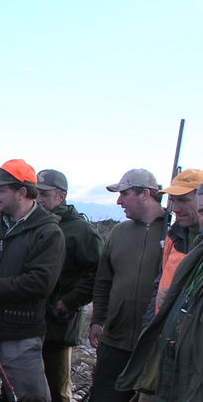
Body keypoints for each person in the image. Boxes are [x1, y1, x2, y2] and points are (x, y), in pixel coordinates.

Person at [0, 159, 64, 401]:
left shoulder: (48, 232)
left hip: (21, 336)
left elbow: (40, 283)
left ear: (22, 192)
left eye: (2, 190)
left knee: (31, 398)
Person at [116, 183, 203, 401]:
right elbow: (160, 284)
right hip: (169, 349)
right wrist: (151, 323)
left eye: (183, 200)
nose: (175, 208)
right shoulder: (186, 247)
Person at [89, 169, 165, 401]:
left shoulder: (174, 233)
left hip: (152, 346)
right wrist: (97, 319)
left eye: (124, 194)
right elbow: (103, 281)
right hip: (114, 342)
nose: (118, 201)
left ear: (145, 194)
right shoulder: (118, 232)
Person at [35, 169, 104, 402]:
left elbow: (98, 274)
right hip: (29, 321)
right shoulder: (33, 223)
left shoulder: (81, 231)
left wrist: (69, 302)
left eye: (45, 194)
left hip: (59, 324)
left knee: (57, 389)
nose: (39, 199)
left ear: (61, 196)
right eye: (37, 194)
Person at [147, 169, 203, 319]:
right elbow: (158, 288)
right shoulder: (172, 237)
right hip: (166, 335)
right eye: (173, 200)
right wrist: (147, 330)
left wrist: (178, 300)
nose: (176, 209)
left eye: (183, 200)